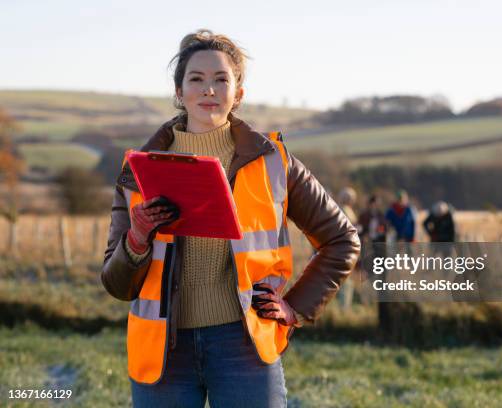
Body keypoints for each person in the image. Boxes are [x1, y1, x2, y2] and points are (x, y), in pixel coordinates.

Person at [101, 29, 360, 407]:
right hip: (163, 352)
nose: (209, 89)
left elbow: (342, 239)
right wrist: (137, 239)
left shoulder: (276, 162)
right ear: (179, 93)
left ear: (238, 94)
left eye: (221, 79)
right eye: (197, 79)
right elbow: (116, 284)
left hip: (244, 347)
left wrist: (296, 306)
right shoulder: (137, 170)